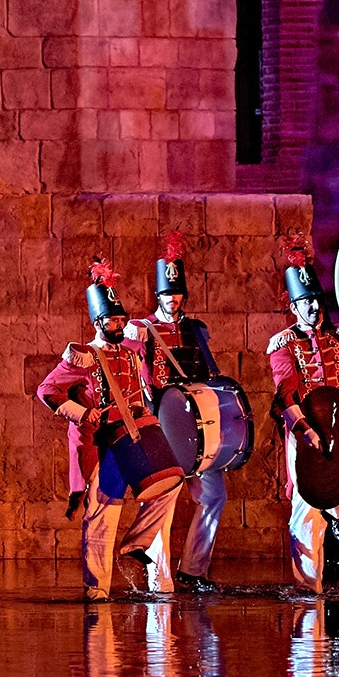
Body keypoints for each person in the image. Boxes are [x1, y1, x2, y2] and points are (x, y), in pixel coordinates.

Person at [36, 258, 179, 601]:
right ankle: (96, 588)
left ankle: (136, 543)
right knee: (103, 510)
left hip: (134, 435)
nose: (118, 325)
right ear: (98, 322)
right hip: (102, 443)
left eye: (120, 319)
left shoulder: (130, 355)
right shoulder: (83, 356)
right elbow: (47, 391)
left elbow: (142, 388)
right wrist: (82, 413)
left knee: (169, 484)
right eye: (112, 320)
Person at [268, 231, 339, 593]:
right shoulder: (283, 344)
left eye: (316, 300)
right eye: (306, 302)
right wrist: (304, 431)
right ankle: (308, 589)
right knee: (305, 512)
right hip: (308, 431)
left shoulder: (334, 338)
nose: (314, 308)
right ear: (293, 306)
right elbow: (285, 391)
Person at [125, 232, 226, 592]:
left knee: (214, 495)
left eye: (176, 293)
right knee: (164, 499)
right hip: (161, 422)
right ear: (158, 295)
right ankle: (160, 579)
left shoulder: (195, 329)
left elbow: (207, 371)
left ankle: (194, 570)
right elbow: (136, 373)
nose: (172, 299)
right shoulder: (140, 329)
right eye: (166, 294)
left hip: (195, 425)